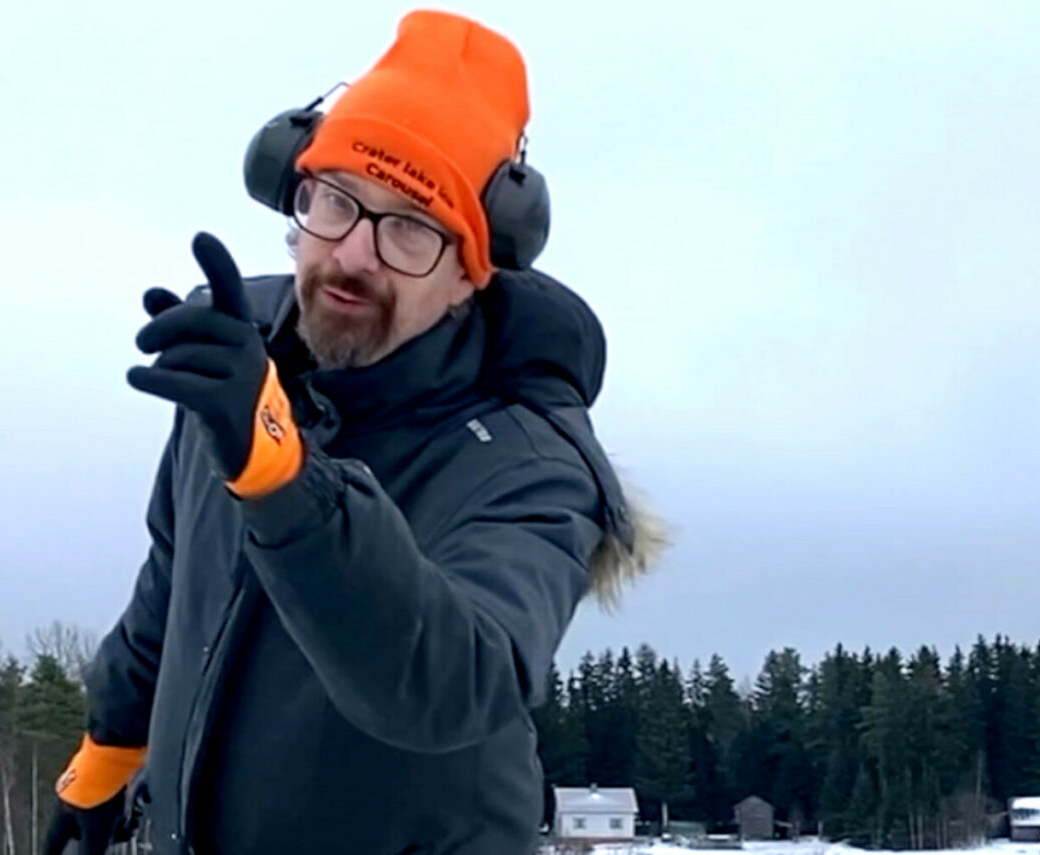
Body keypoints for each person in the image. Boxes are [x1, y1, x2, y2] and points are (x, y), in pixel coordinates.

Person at [43, 10, 663, 855]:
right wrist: (108, 754)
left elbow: (451, 685)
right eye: (337, 201)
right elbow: (174, 576)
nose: (356, 254)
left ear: (469, 273)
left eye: (411, 225)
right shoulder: (241, 355)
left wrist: (283, 479)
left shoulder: (532, 468)